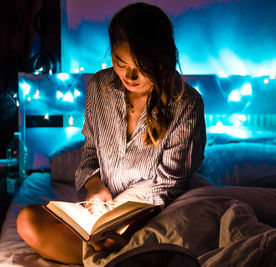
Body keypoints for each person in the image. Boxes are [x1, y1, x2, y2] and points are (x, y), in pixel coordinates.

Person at [16, 2, 206, 264]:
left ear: (161, 60)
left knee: (180, 234)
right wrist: (94, 186)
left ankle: (120, 254)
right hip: (105, 216)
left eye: (142, 66)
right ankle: (121, 258)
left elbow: (169, 185)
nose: (129, 75)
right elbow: (90, 155)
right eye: (120, 62)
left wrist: (124, 225)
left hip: (159, 214)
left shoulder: (187, 103)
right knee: (28, 220)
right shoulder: (100, 87)